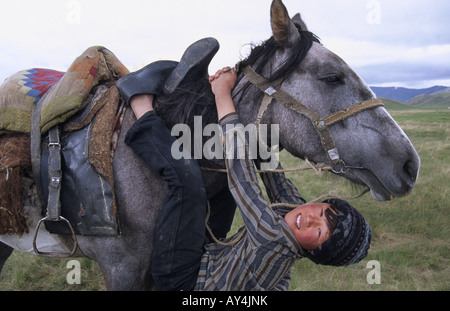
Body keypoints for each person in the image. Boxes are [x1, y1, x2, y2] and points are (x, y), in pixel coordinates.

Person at [116, 38, 371, 291]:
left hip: (182, 279)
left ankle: (142, 111)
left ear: (313, 252)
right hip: (212, 257)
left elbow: (243, 177)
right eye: (322, 212)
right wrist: (254, 123)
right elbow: (273, 176)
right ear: (326, 203)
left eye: (317, 233)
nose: (309, 219)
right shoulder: (293, 227)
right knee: (222, 181)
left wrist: (222, 94)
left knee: (188, 181)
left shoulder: (272, 239)